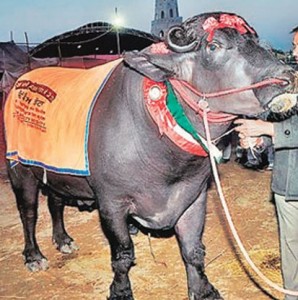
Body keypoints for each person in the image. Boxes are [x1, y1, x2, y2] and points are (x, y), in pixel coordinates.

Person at [234, 27, 298, 300]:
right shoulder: (292, 85)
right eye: (294, 46)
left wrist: (267, 130)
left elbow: (278, 129)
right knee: (292, 247)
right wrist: (259, 141)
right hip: (288, 183)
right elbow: (283, 124)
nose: (294, 52)